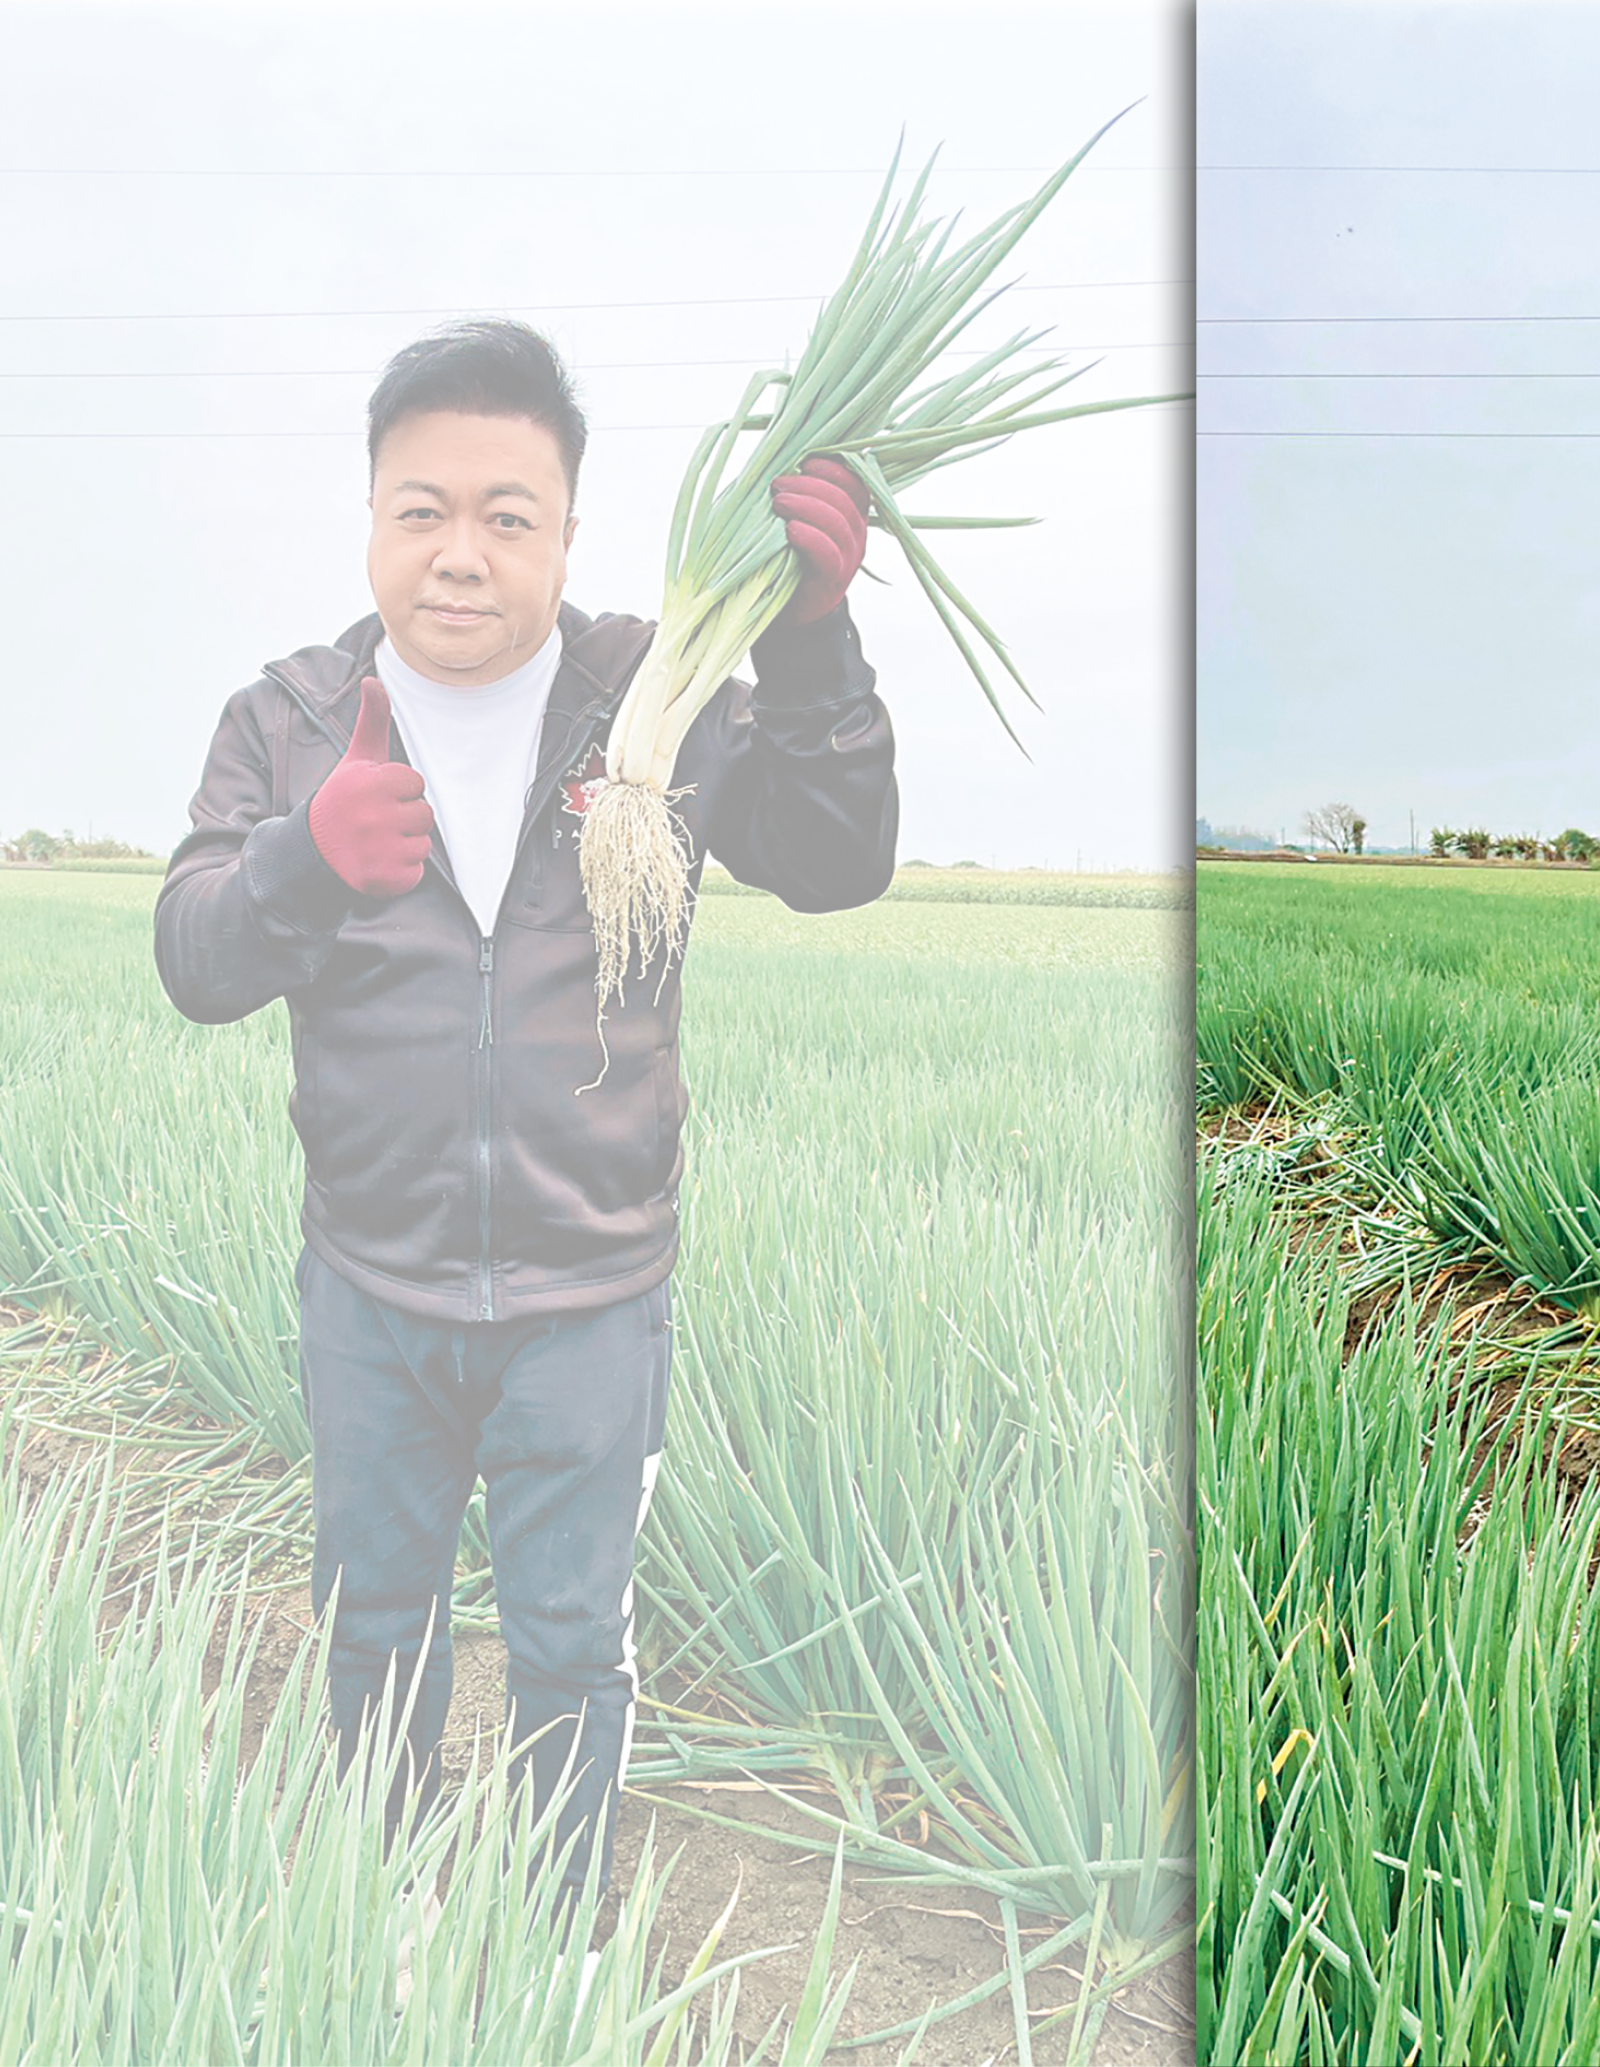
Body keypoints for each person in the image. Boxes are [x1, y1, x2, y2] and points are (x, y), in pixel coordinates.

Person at [154, 318, 897, 1911]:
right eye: (422, 509)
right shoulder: (290, 717)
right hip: (373, 1285)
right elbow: (193, 953)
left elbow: (837, 862)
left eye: (509, 513)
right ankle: (388, 1920)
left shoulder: (661, 692)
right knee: (376, 1625)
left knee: (572, 1645)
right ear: (370, 521)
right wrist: (303, 857)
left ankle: (554, 1940)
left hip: (592, 1295)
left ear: (567, 531)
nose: (462, 552)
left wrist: (817, 643)